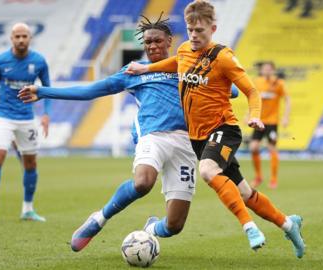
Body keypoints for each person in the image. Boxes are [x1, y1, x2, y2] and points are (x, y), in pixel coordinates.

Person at [126, 0, 305, 258]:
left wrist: (254, 116)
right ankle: (289, 224)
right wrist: (146, 68)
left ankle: (250, 228)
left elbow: (252, 91)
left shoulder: (224, 57)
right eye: (190, 30)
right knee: (244, 192)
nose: (195, 36)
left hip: (224, 128)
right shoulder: (186, 49)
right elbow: (176, 62)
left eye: (200, 31)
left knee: (208, 171)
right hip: (198, 137)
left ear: (213, 28)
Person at [19, 15, 200, 252]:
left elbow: (231, 90)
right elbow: (92, 90)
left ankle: (151, 229)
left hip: (186, 143)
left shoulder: (186, 67)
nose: (152, 46)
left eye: (157, 41)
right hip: (153, 136)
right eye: (147, 42)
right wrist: (43, 91)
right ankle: (99, 219)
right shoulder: (135, 72)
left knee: (174, 225)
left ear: (169, 41)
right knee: (143, 182)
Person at [0, 22, 51, 222]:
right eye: (17, 36)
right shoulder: (0, 60)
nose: (20, 40)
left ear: (30, 38)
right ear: (11, 38)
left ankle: (27, 209)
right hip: (2, 116)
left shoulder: (39, 61)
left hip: (27, 118)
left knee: (30, 163)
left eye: (24, 36)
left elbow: (47, 89)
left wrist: (46, 114)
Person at [249, 61, 291, 189]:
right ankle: (258, 177)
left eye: (269, 69)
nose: (266, 71)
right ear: (261, 70)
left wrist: (285, 117)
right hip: (259, 121)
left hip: (272, 122)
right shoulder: (257, 81)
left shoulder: (279, 83)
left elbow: (288, 99)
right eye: (264, 69)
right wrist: (248, 115)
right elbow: (253, 99)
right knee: (253, 147)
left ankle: (273, 179)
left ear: (273, 70)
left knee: (272, 148)